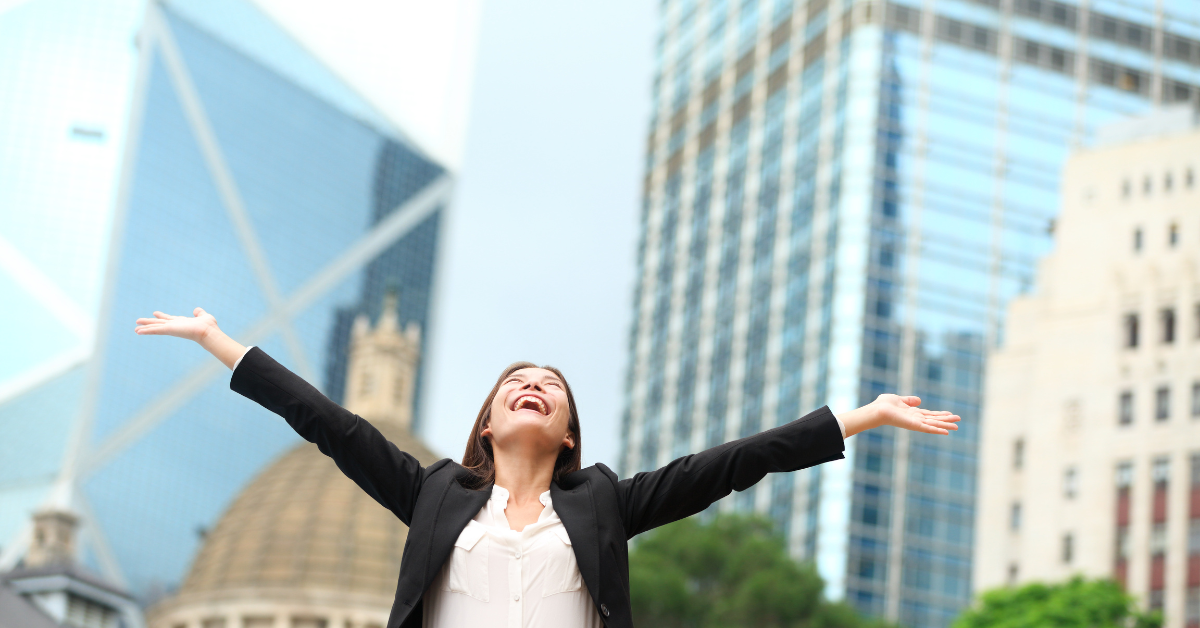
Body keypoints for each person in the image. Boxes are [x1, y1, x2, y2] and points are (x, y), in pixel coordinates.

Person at [135, 307, 959, 628]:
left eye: (551, 387)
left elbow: (734, 464)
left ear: (568, 434)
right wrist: (218, 341)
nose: (534, 387)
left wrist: (862, 414)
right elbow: (326, 422)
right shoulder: (431, 494)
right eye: (515, 385)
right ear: (487, 425)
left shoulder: (604, 503)